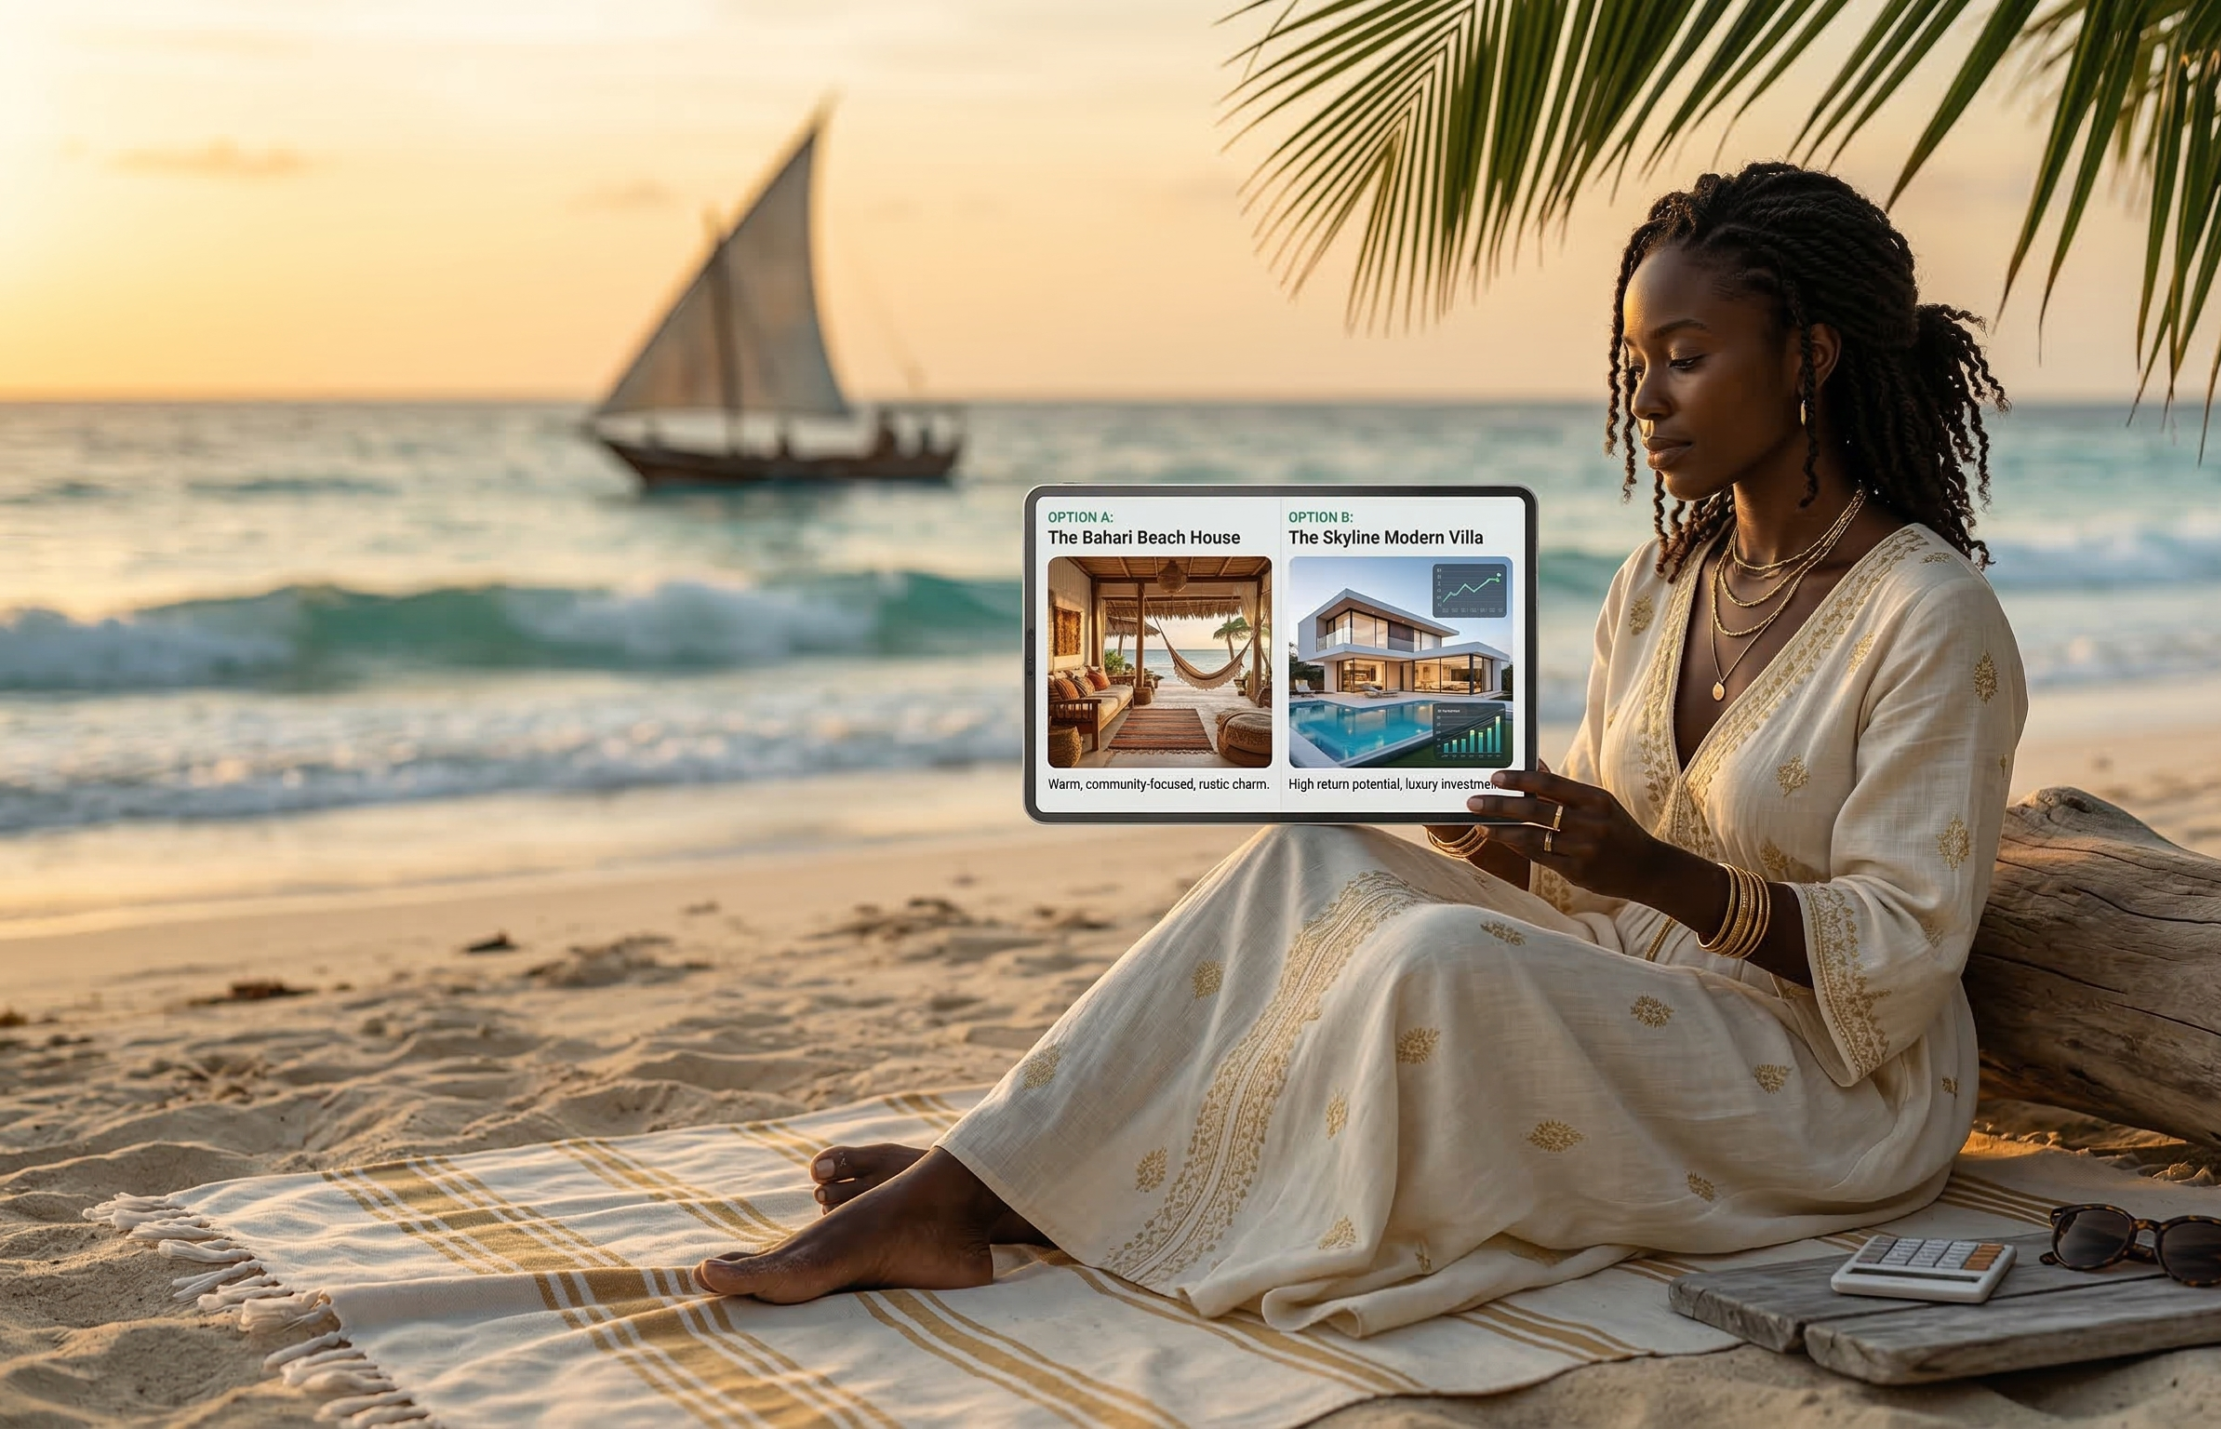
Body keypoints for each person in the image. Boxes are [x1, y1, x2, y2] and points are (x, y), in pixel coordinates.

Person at [697, 162, 2027, 1336]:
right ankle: (984, 1179)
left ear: (1812, 354)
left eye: (1685, 355)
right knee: (1309, 858)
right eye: (1633, 363)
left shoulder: (1930, 614)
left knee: (1435, 958)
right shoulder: (1663, 578)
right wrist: (1485, 826)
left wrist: (1656, 872)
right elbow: (1577, 882)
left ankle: (1019, 1188)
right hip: (1637, 990)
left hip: (1825, 1091)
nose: (1647, 398)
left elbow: (1906, 957)